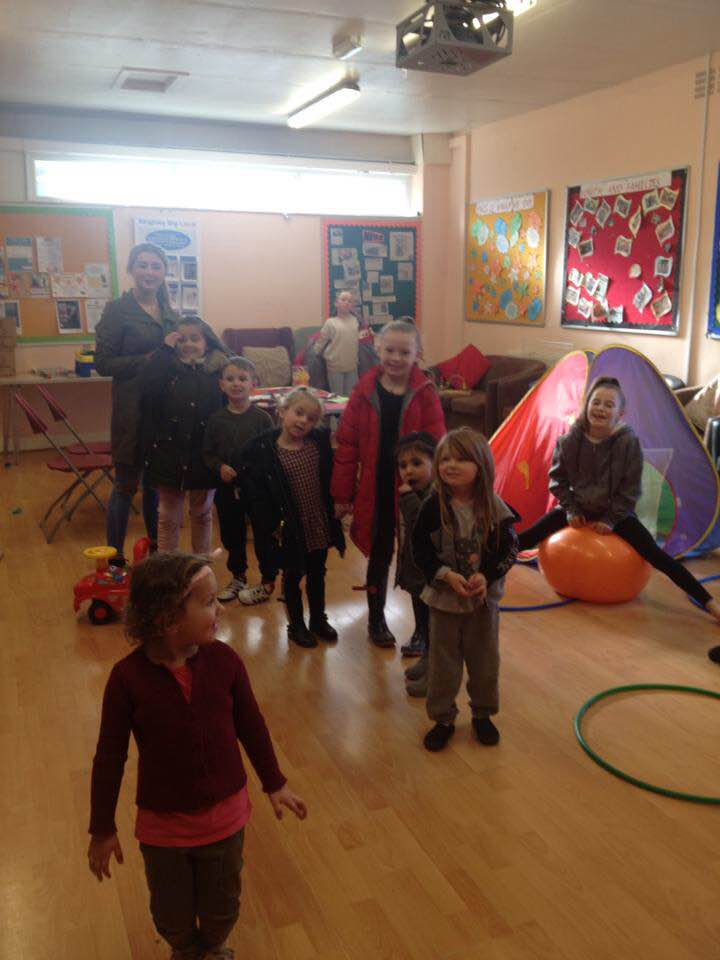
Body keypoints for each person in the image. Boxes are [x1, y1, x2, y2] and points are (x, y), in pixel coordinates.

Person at [87, 551, 307, 960]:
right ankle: (185, 950)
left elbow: (251, 725)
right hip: (163, 830)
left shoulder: (226, 662)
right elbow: (109, 757)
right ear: (166, 618)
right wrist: (102, 827)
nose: (220, 608)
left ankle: (214, 947)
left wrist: (275, 783)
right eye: (207, 602)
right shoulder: (126, 680)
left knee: (223, 907)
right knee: (170, 914)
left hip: (225, 821)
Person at [517, 376, 720, 625]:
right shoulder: (569, 441)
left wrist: (611, 519)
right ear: (587, 405)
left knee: (657, 556)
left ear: (620, 413)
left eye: (609, 405)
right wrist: (571, 509)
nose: (601, 408)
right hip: (577, 508)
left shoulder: (628, 443)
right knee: (525, 538)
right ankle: (481, 570)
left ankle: (710, 604)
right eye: (596, 402)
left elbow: (630, 489)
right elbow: (557, 480)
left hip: (616, 514)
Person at [331, 319, 445, 648]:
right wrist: (342, 494)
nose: (396, 358)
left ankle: (423, 630)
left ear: (417, 354)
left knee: (418, 557)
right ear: (378, 349)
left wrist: (439, 490)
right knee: (378, 557)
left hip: (415, 491)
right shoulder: (364, 391)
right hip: (376, 486)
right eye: (389, 350)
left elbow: (438, 445)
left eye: (404, 352)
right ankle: (376, 620)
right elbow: (347, 446)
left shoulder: (425, 393)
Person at [412, 428, 519, 752]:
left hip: (482, 603)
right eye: (445, 459)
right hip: (444, 601)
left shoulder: (494, 508)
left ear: (481, 465)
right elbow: (420, 551)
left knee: (485, 662)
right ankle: (443, 718)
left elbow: (509, 550)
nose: (451, 465)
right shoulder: (432, 507)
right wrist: (445, 575)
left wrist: (487, 576)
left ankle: (483, 714)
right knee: (443, 664)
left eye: (461, 459)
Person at [95, 242, 178, 565]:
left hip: (163, 411)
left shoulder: (168, 311)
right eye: (143, 265)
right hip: (131, 411)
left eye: (156, 266)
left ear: (164, 272)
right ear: (131, 269)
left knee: (156, 485)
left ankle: (158, 553)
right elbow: (103, 363)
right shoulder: (118, 310)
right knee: (125, 486)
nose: (149, 272)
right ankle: (114, 559)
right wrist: (151, 358)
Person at [243, 387, 345, 648]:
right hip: (289, 528)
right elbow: (258, 494)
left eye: (311, 418)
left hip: (317, 521)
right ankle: (296, 624)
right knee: (292, 575)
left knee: (317, 573)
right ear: (282, 411)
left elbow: (331, 476)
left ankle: (318, 620)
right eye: (299, 413)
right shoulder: (266, 451)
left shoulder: (317, 444)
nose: (303, 421)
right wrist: (270, 527)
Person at [141, 316, 228, 554]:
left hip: (204, 454)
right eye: (182, 340)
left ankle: (201, 564)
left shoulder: (219, 372)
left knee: (202, 513)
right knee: (168, 515)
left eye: (194, 338)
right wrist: (164, 350)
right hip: (169, 452)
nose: (188, 344)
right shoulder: (165, 368)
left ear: (207, 342)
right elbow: (147, 385)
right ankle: (168, 565)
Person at [202, 356, 276, 604]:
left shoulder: (263, 419)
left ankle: (267, 581)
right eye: (230, 379)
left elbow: (272, 453)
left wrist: (257, 473)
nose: (236, 384)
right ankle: (238, 577)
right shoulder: (216, 420)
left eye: (243, 379)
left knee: (264, 535)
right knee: (232, 536)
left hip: (258, 491)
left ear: (253, 384)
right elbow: (207, 453)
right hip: (226, 491)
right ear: (221, 385)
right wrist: (220, 467)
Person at [395, 432, 437, 660]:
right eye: (403, 466)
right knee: (417, 597)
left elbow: (421, 524)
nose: (408, 471)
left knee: (430, 605)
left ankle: (430, 643)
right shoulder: (413, 492)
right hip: (414, 561)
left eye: (416, 463)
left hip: (431, 566)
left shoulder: (436, 495)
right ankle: (420, 633)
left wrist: (409, 499)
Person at [314, 290, 360, 396]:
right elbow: (320, 342)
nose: (347, 302)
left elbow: (359, 340)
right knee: (337, 398)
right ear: (336, 303)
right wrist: (315, 356)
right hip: (335, 367)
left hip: (352, 366)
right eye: (343, 300)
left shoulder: (355, 321)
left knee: (351, 397)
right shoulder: (330, 322)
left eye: (350, 301)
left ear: (352, 305)